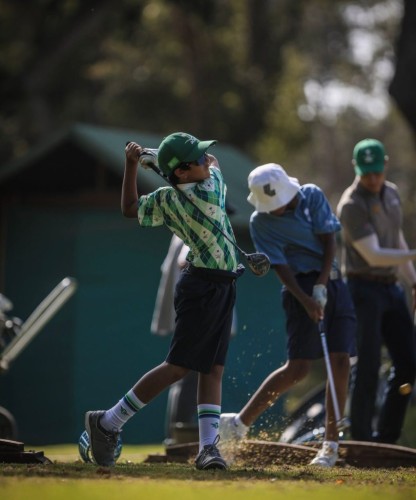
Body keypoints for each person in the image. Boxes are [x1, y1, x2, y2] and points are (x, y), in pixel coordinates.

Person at [84, 132, 243, 470]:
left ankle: (207, 449)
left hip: (220, 284)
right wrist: (154, 156)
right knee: (179, 367)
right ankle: (108, 422)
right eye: (196, 158)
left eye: (201, 156)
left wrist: (132, 165)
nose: (205, 160)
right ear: (183, 172)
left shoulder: (166, 199)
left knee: (213, 369)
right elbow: (215, 165)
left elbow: (129, 208)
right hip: (202, 288)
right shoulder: (211, 187)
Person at [219, 163, 356, 467]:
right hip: (298, 288)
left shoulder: (311, 196)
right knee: (298, 369)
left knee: (341, 362)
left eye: (279, 203)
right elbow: (280, 265)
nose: (276, 209)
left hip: (332, 281)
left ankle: (330, 445)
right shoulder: (260, 222)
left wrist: (322, 283)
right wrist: (306, 299)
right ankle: (239, 424)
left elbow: (330, 240)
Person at [337, 138, 416, 444]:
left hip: (391, 287)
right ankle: (360, 439)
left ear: (385, 164)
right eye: (366, 172)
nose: (372, 178)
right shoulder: (351, 205)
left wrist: (413, 281)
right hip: (362, 288)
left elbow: (395, 241)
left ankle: (386, 438)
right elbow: (374, 255)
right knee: (367, 367)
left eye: (376, 171)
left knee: (408, 364)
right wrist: (412, 257)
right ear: (357, 169)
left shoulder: (392, 193)